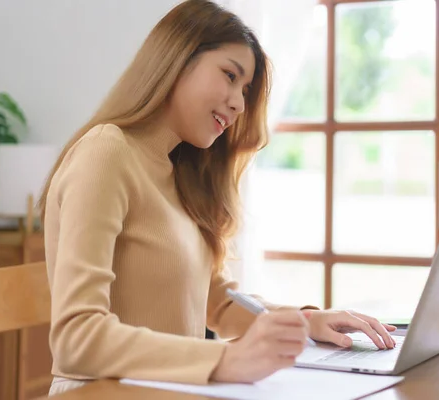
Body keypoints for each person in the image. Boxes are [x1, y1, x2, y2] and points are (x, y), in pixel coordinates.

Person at [39, 0, 396, 396]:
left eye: (244, 90)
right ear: (176, 59)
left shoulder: (181, 174)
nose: (239, 104)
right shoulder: (107, 152)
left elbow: (218, 301)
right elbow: (76, 338)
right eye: (229, 75)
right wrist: (224, 361)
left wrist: (305, 321)